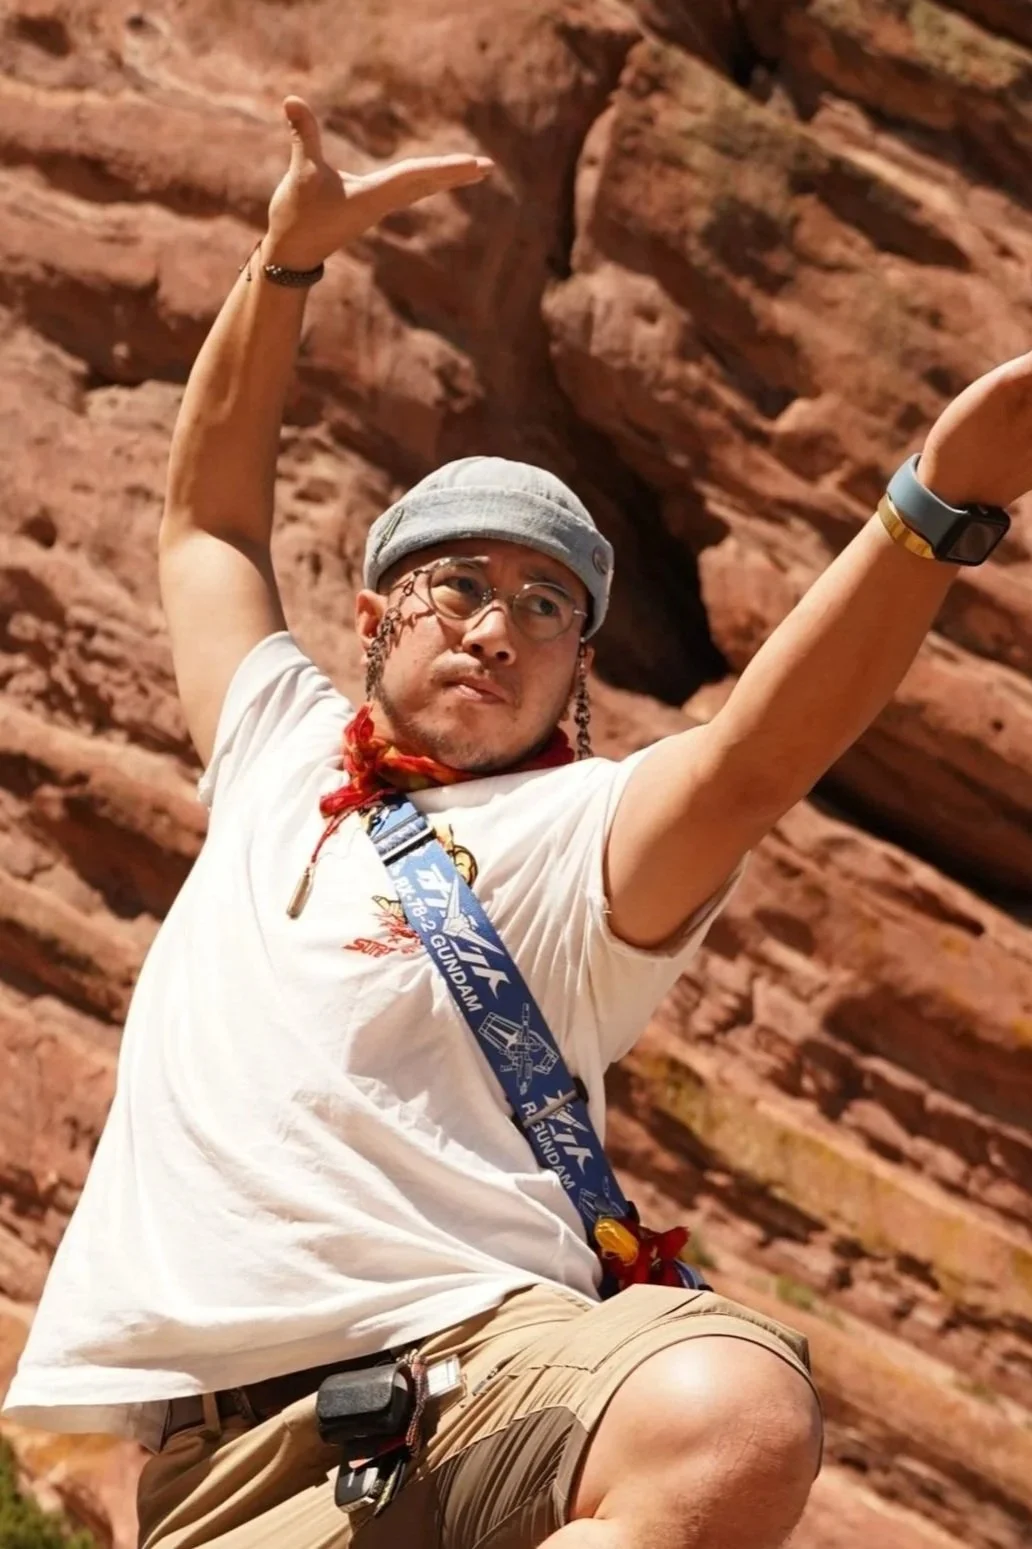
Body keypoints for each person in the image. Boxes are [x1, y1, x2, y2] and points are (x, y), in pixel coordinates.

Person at [3, 94, 1026, 1549]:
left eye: (547, 605)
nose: (499, 625)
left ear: (578, 665)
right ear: (375, 616)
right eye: (460, 585)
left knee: (726, 1413)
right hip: (210, 1480)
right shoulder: (277, 746)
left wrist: (938, 505)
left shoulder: (576, 835)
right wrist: (284, 263)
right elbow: (209, 525)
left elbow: (752, 760)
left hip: (472, 1390)